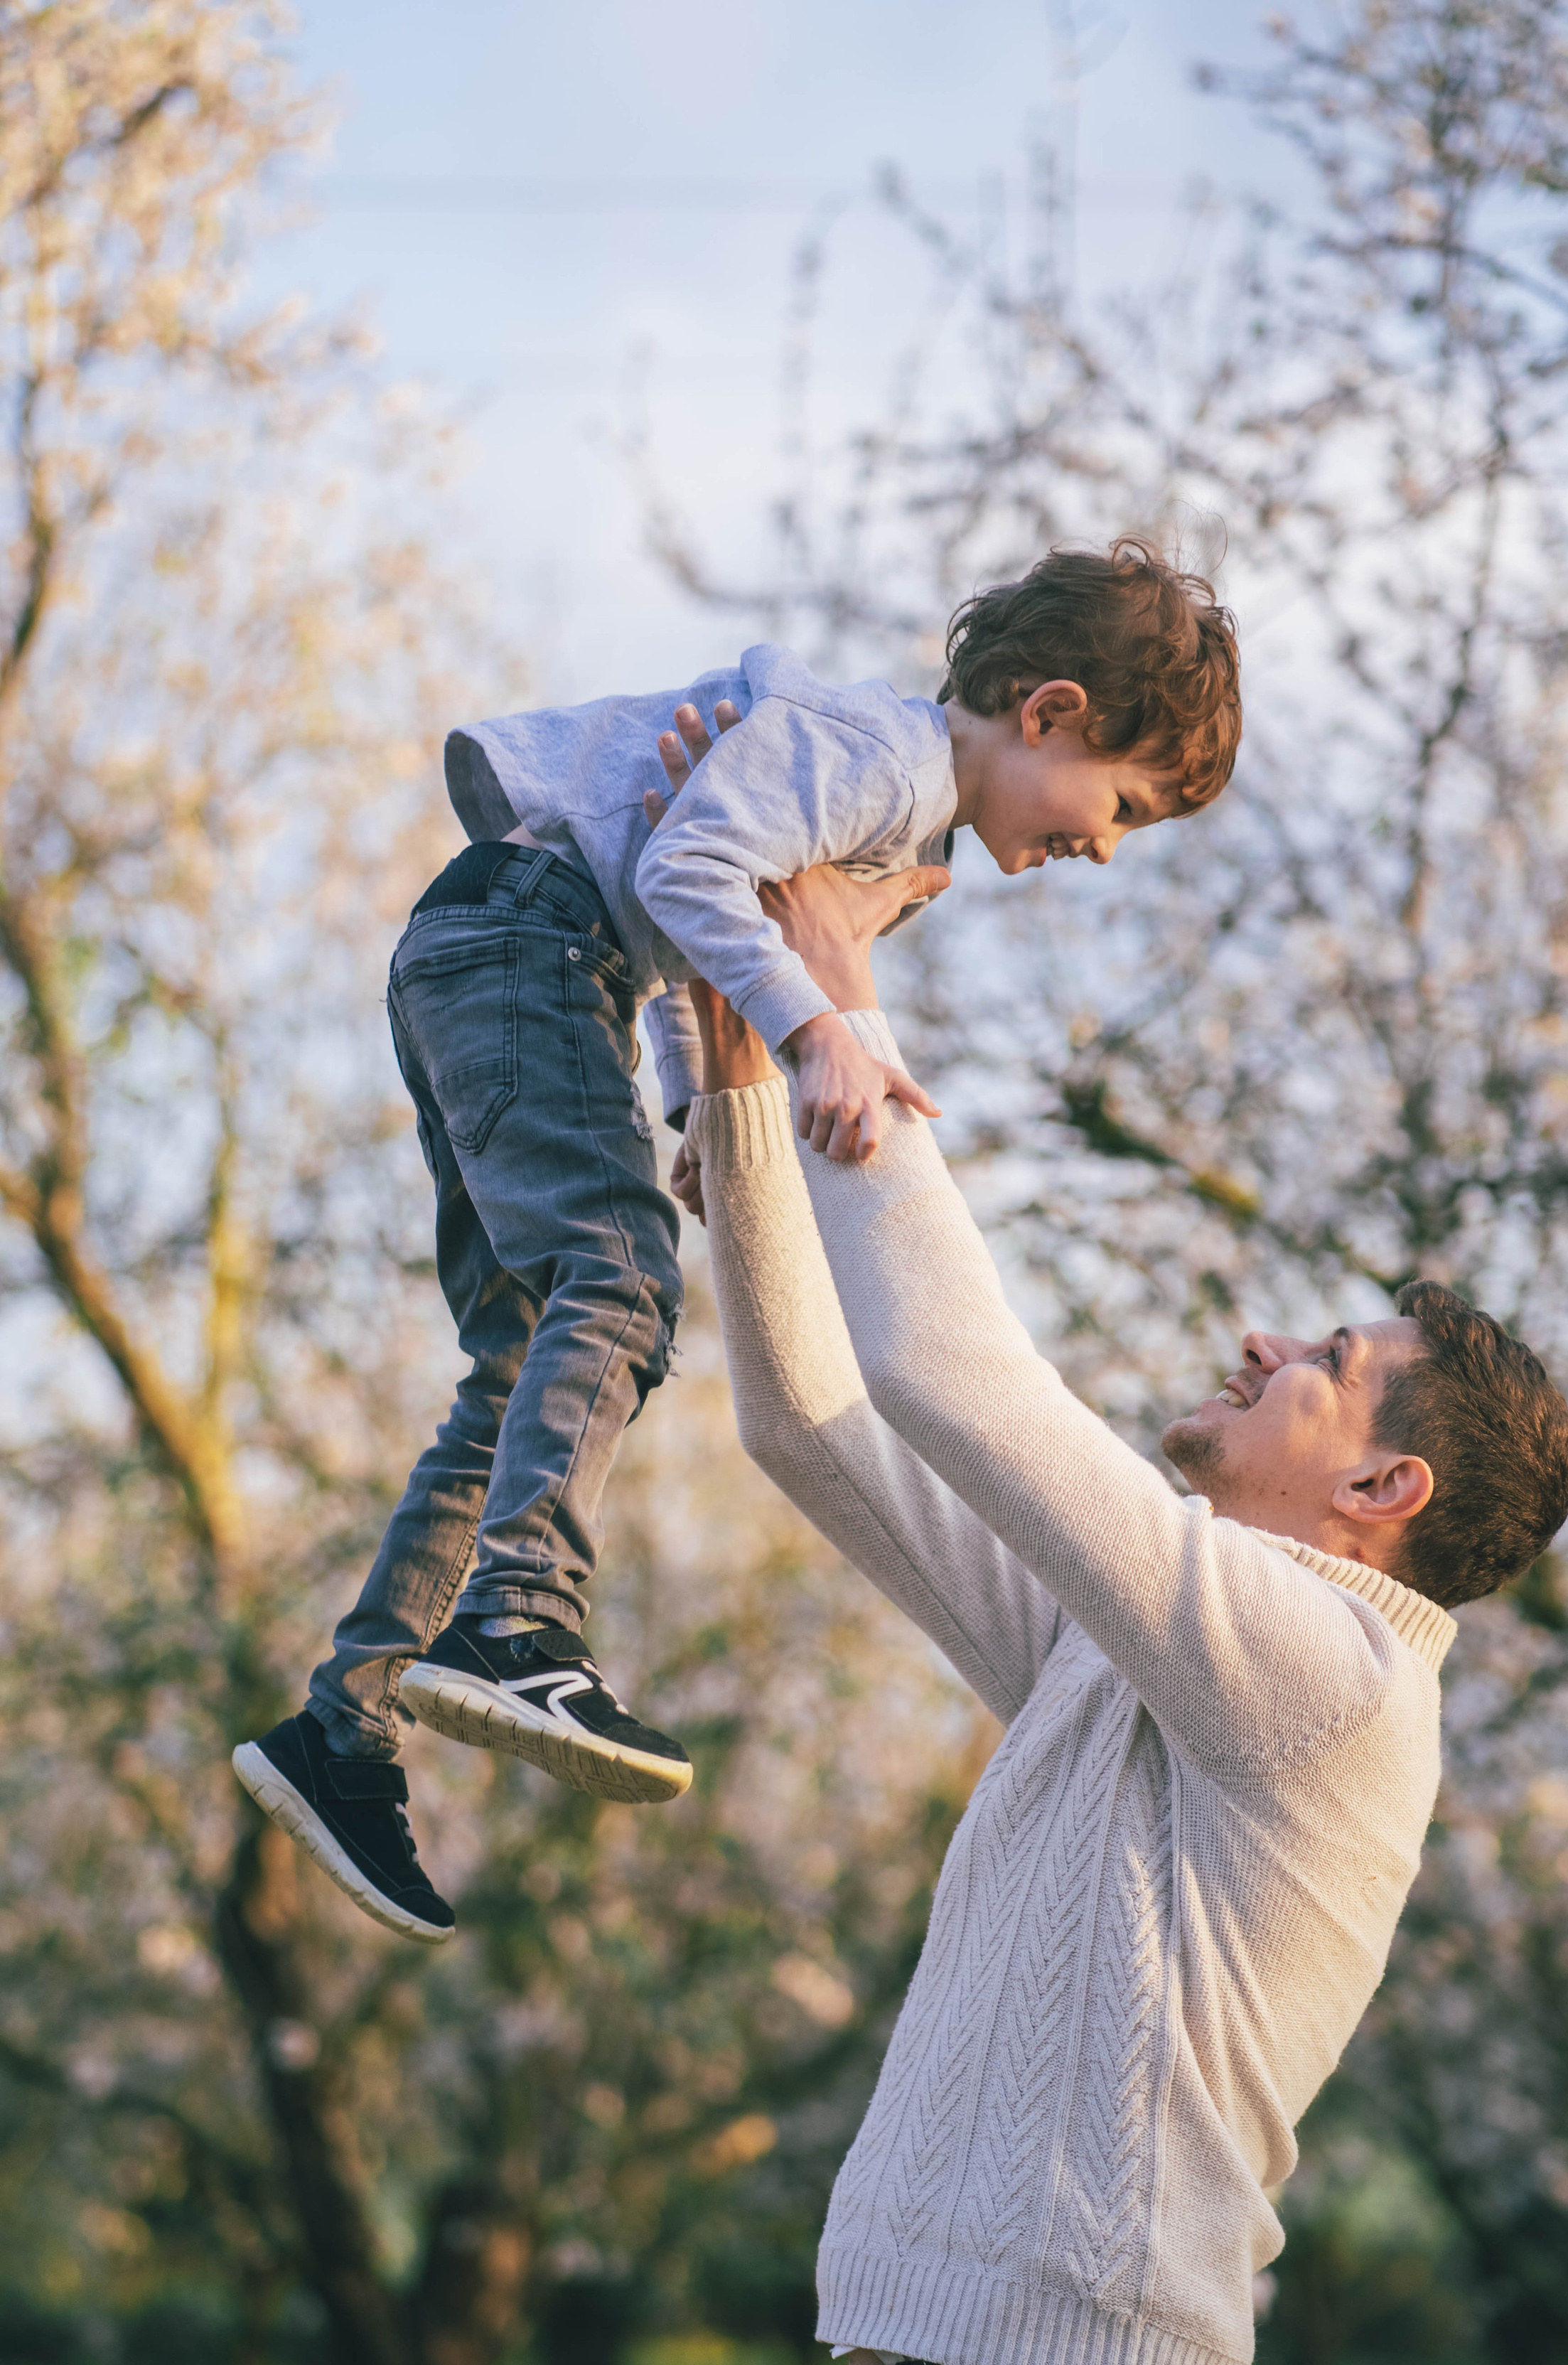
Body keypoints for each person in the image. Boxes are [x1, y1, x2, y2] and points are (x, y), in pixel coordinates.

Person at [655, 714, 1568, 2365]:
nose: (1265, 1341)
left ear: (1382, 1492)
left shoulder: (1325, 1678)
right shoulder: (1149, 1651)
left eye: (1325, 1363)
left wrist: (849, 1019)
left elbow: (968, 1386)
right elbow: (818, 1425)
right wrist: (748, 1065)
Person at [231, 540, 1244, 1943]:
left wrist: (696, 1105)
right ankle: (518, 1622)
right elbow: (689, 866)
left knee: (528, 1352)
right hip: (527, 945)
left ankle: (339, 1731)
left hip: (523, 949)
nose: (1104, 847)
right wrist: (814, 1028)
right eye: (1118, 805)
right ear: (1049, 712)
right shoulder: (881, 763)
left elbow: (676, 898)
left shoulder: (890, 814)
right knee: (622, 1282)